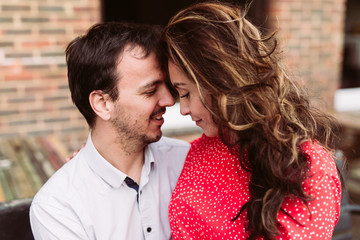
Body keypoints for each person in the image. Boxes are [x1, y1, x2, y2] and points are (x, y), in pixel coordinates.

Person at [163, 1, 341, 239]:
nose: (183, 109)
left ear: (220, 82)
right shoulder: (200, 150)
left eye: (185, 94)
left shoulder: (308, 167)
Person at [29, 22, 190, 239]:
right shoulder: (58, 207)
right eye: (150, 91)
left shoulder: (187, 161)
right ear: (103, 103)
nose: (169, 100)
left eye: (167, 86)